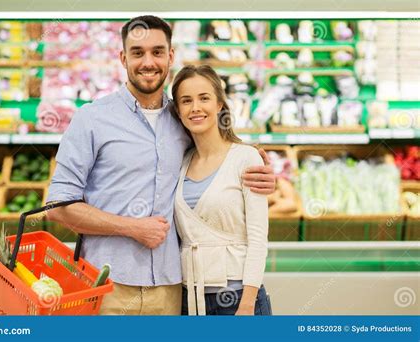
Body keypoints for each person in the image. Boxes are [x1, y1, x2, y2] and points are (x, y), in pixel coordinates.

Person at [46, 15, 275, 315]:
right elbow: (58, 205)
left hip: (172, 290)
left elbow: (216, 153)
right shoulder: (91, 119)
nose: (148, 62)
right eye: (138, 53)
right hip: (108, 286)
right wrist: (131, 227)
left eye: (157, 52)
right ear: (123, 57)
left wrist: (254, 160)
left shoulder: (182, 118)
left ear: (170, 56)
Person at [172, 65, 271, 316]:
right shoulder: (181, 164)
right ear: (178, 111)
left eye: (204, 98)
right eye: (186, 101)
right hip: (190, 299)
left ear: (219, 105)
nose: (195, 107)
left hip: (238, 298)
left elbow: (258, 238)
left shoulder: (246, 158)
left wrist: (248, 303)